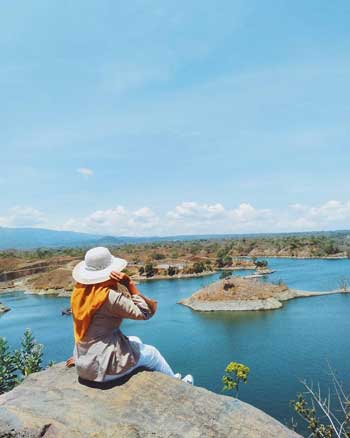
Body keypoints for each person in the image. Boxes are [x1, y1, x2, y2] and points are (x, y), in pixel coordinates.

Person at [68, 246, 193, 384]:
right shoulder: (108, 297)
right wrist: (130, 284)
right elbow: (146, 313)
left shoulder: (78, 293)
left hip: (84, 362)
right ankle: (178, 383)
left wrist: (82, 358)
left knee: (135, 339)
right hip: (102, 369)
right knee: (152, 353)